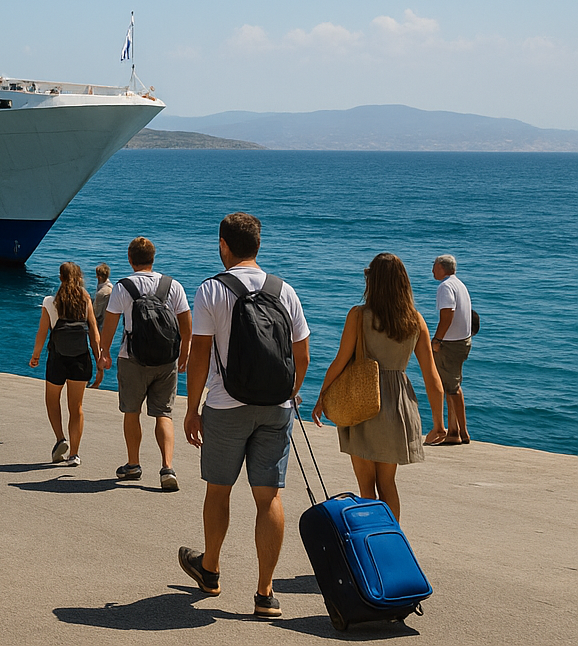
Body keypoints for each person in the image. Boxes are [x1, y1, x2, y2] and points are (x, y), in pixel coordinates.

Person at [179, 212, 310, 620]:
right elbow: (301, 354)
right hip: (276, 408)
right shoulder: (283, 290)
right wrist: (288, 393)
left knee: (219, 491)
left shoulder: (211, 290)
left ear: (223, 245)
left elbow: (199, 353)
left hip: (225, 405)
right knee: (268, 496)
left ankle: (212, 570)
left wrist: (191, 408)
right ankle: (265, 593)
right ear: (258, 245)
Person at [311, 253, 446, 519]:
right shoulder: (415, 320)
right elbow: (432, 377)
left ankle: (368, 544)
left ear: (372, 281)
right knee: (388, 484)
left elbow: (340, 361)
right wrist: (440, 423)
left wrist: (322, 395)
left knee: (366, 489)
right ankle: (390, 542)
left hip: (364, 403)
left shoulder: (359, 316)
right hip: (398, 407)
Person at [99, 237, 192, 491]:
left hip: (132, 359)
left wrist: (103, 352)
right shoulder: (173, 286)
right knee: (164, 414)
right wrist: (184, 352)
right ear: (153, 258)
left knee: (132, 412)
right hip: (166, 360)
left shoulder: (123, 287)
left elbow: (111, 323)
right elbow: (185, 321)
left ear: (130, 259)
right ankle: (167, 468)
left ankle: (133, 464)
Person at [28, 262, 106, 465]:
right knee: (76, 407)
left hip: (57, 359)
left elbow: (42, 333)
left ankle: (60, 438)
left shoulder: (49, 302)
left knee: (52, 401)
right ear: (79, 278)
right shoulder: (86, 299)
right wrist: (99, 362)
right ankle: (75, 454)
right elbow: (94, 334)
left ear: (60, 278)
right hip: (81, 359)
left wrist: (35, 356)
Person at [427, 254, 474, 445]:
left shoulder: (445, 287)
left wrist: (437, 339)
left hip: (451, 343)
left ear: (442, 268)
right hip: (463, 340)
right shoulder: (459, 284)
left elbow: (447, 315)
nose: (432, 270)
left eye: (434, 266)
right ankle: (453, 430)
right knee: (450, 385)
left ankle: (462, 432)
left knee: (452, 388)